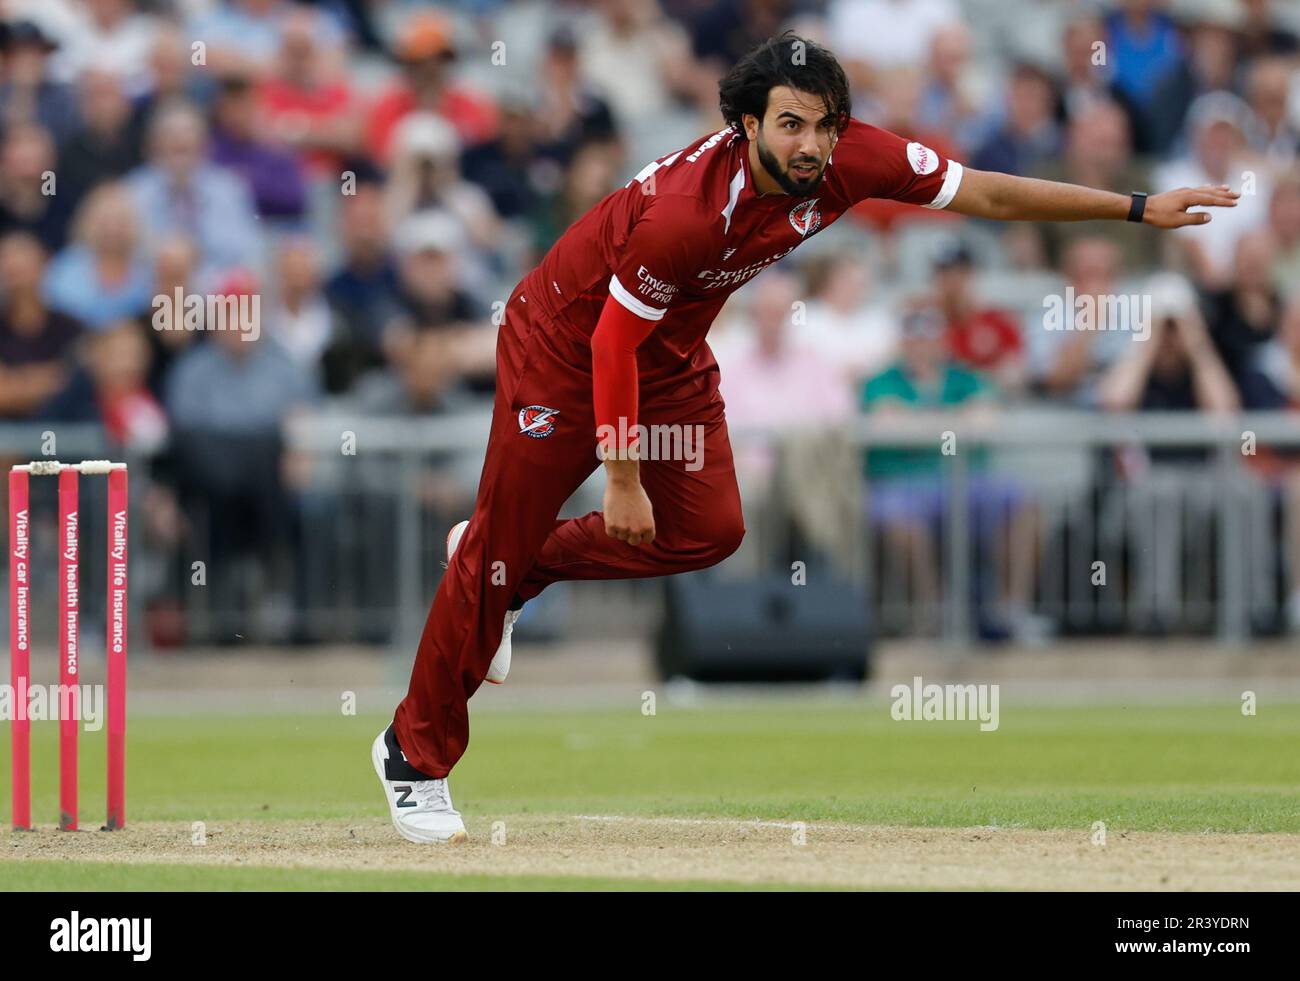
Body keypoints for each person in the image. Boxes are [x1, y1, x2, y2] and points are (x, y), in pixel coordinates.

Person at [373, 32, 1240, 845]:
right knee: (493, 550)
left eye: (825, 123)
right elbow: (609, 344)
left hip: (667, 352)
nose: (813, 143)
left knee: (708, 531)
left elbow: (986, 190)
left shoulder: (853, 157)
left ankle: (522, 564)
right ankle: (414, 754)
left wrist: (1136, 208)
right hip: (563, 343)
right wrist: (624, 477)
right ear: (748, 124)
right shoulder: (684, 212)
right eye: (791, 123)